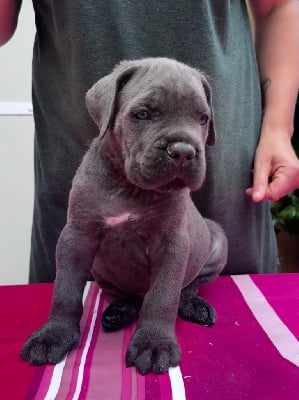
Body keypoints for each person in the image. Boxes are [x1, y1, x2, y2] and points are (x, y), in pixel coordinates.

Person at [1, 0, 299, 283]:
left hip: (223, 187)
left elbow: (277, 5)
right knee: (68, 323)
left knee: (234, 322)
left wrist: (278, 129)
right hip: (84, 181)